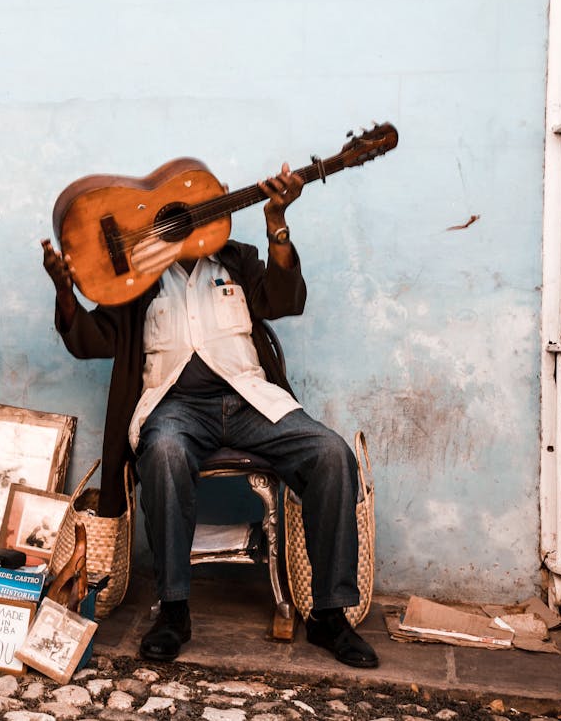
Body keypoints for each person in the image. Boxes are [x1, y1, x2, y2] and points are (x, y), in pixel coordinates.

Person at [40, 163, 379, 668]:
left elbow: (286, 299)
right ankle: (173, 610)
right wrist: (65, 292)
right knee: (164, 450)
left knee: (331, 453)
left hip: (251, 402)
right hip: (175, 409)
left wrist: (277, 224)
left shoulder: (237, 259)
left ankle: (329, 616)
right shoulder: (136, 277)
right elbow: (92, 340)